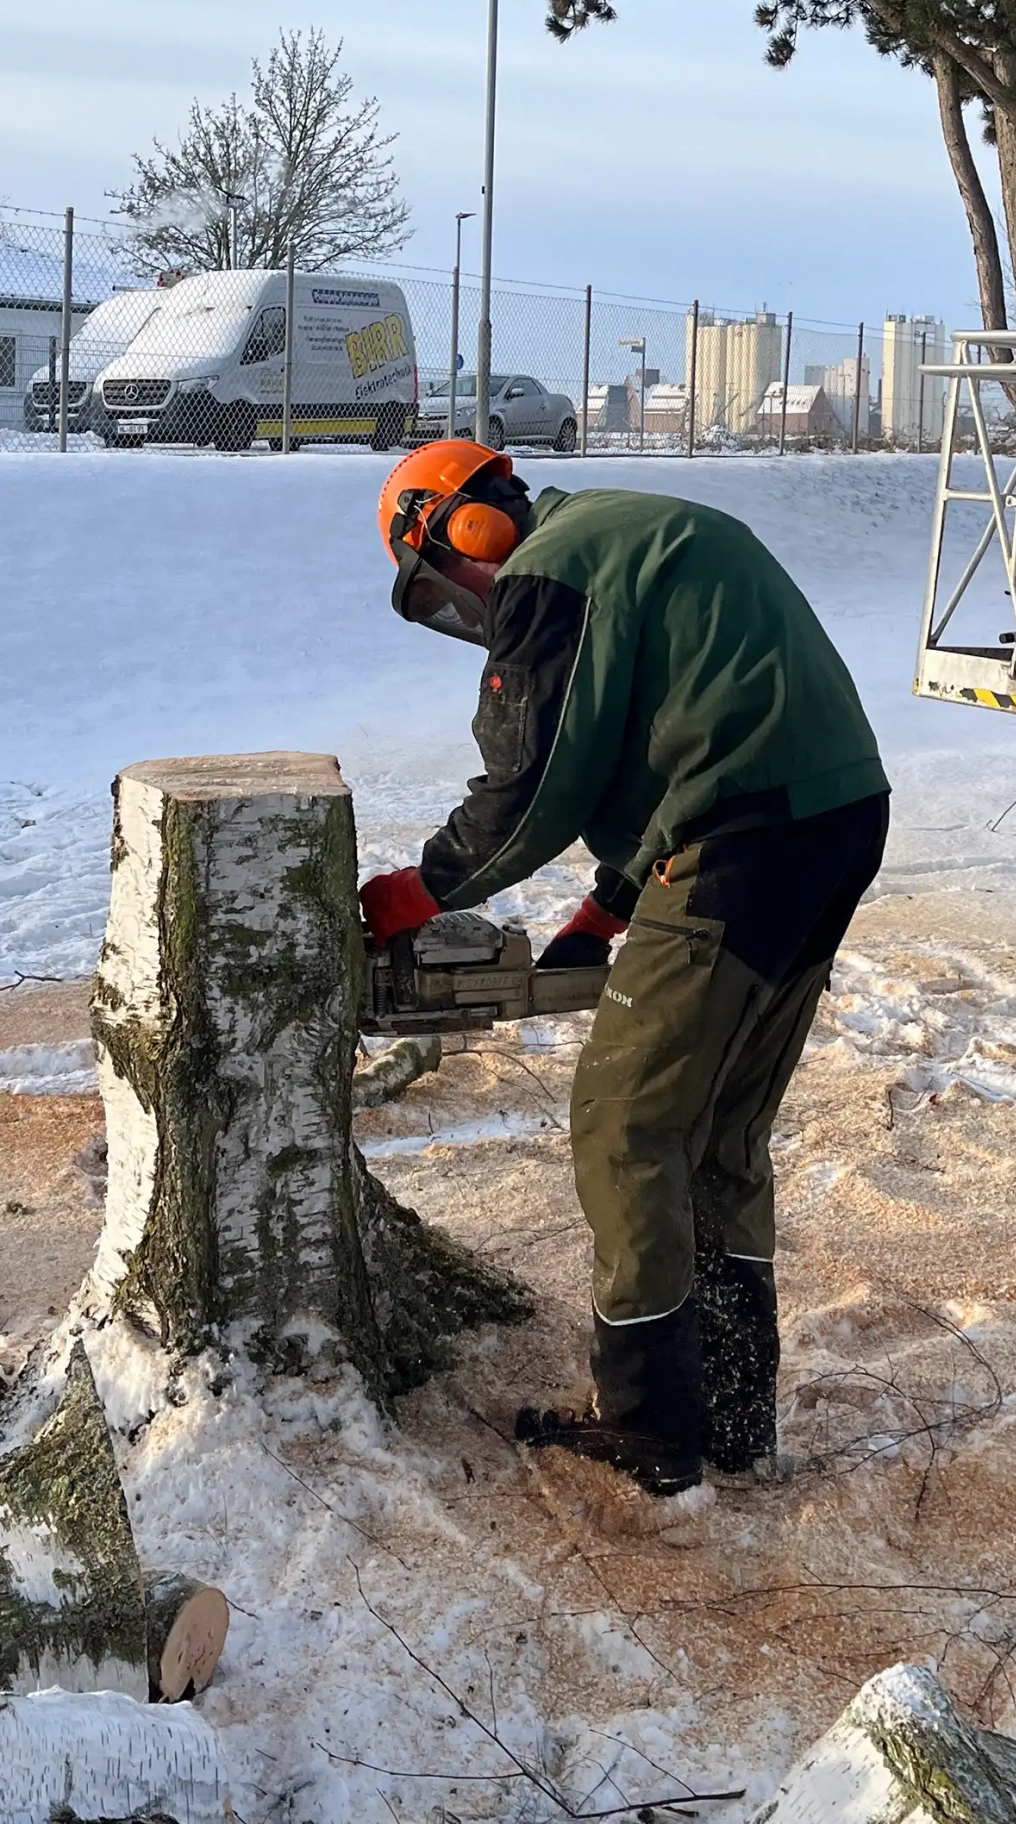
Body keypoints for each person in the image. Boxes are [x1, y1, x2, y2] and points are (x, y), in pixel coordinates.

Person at [360, 439, 890, 1494]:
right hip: (832, 817)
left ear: (467, 527)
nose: (467, 604)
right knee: (721, 1136)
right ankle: (734, 1416)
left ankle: (650, 1422)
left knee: (625, 1121)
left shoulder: (553, 568)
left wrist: (419, 891)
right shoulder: (624, 531)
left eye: (447, 580)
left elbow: (535, 780)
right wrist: (605, 912)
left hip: (743, 840)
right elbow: (696, 724)